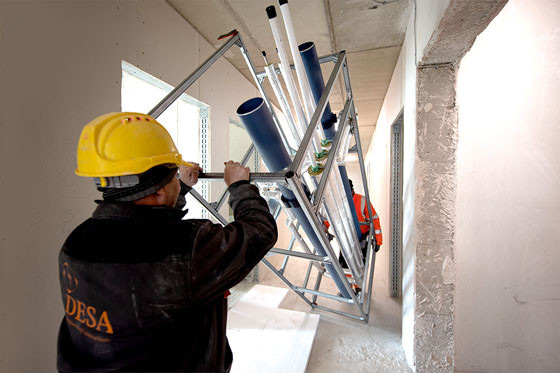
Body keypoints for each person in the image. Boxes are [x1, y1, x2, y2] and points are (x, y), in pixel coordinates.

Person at [57, 112, 278, 372]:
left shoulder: (75, 244)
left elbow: (149, 228)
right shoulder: (189, 250)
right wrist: (240, 185)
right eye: (173, 176)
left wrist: (179, 188)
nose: (176, 180)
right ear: (160, 190)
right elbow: (260, 231)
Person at [339, 179, 382, 269]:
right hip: (346, 238)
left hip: (361, 239)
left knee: (360, 267)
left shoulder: (362, 201)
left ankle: (358, 283)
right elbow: (331, 217)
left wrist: (378, 241)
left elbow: (374, 219)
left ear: (352, 190)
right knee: (344, 266)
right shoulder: (340, 201)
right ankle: (347, 283)